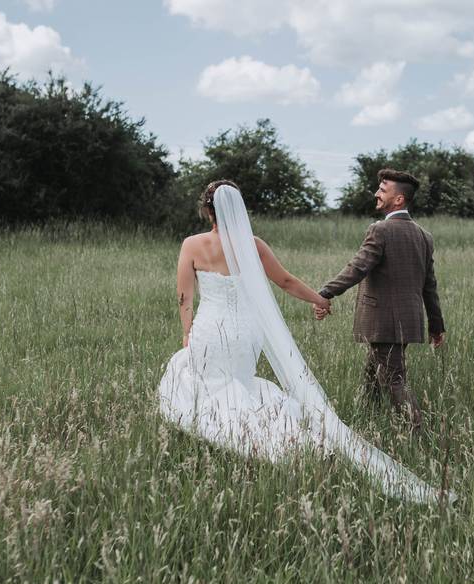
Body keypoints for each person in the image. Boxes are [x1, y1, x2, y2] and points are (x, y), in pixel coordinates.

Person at [158, 180, 450, 503]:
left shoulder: (191, 245)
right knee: (238, 384)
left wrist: (187, 331)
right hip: (246, 334)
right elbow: (285, 281)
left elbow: (185, 297)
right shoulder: (252, 245)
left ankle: (236, 435)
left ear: (206, 210)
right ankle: (293, 439)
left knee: (201, 380)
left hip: (211, 329)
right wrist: (319, 299)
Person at [315, 169, 445, 429]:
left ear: (398, 200)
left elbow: (358, 267)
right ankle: (364, 421)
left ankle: (416, 432)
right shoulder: (424, 235)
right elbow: (429, 286)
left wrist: (324, 293)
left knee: (395, 378)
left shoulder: (381, 229)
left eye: (383, 190)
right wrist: (436, 325)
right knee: (373, 374)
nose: (376, 193)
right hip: (407, 321)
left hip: (383, 321)